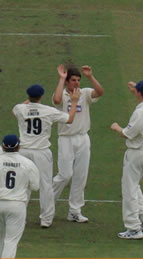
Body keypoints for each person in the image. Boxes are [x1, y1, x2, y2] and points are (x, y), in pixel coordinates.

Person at [12, 84, 80, 228]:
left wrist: (29, 102)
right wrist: (74, 102)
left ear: (28, 96)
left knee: (23, 185)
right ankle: (46, 219)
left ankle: (20, 218)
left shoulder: (19, 109)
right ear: (41, 96)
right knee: (45, 185)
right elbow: (69, 119)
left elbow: (19, 108)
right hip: (41, 152)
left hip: (23, 152)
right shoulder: (49, 111)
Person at [52, 64, 104, 222]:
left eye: (78, 80)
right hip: (66, 138)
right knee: (65, 174)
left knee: (81, 176)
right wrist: (61, 79)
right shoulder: (62, 93)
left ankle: (74, 211)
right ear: (67, 82)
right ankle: (48, 204)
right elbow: (56, 100)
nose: (76, 83)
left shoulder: (85, 93)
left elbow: (100, 92)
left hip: (83, 138)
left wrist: (90, 77)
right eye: (73, 80)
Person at [111, 80, 143, 240]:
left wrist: (117, 127)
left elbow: (127, 133)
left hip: (136, 154)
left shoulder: (140, 113)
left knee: (129, 190)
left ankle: (133, 228)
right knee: (133, 185)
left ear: (139, 93)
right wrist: (137, 90)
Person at [0, 134, 39, 258]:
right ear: (18, 147)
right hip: (17, 205)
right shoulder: (27, 163)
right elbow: (35, 186)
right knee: (10, 241)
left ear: (3, 146)